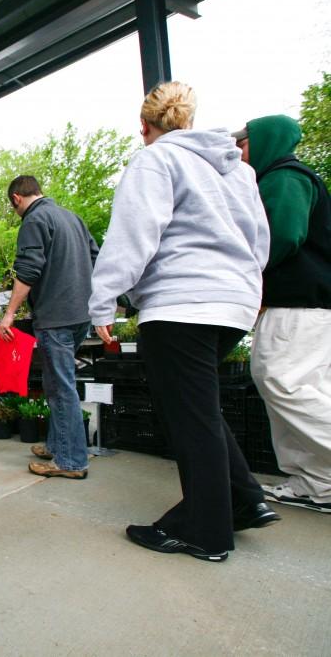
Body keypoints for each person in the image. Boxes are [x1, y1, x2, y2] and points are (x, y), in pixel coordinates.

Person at [89, 81, 279, 562]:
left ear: (145, 127)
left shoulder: (155, 159)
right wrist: (248, 289)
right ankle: (243, 497)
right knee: (201, 407)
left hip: (181, 303)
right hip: (233, 301)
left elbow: (134, 235)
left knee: (187, 416)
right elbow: (259, 239)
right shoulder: (238, 171)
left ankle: (204, 531)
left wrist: (102, 302)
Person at [232, 115, 331, 513]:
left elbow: (282, 235)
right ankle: (318, 483)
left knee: (281, 382)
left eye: (242, 142)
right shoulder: (284, 177)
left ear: (263, 140)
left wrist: (247, 273)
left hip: (298, 305)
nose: (238, 150)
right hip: (307, 306)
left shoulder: (285, 177)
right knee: (300, 388)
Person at [0, 176, 100, 479]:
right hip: (82, 314)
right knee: (57, 383)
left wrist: (9, 314)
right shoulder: (72, 217)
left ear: (16, 198)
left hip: (56, 315)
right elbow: (97, 259)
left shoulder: (35, 219)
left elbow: (28, 270)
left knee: (60, 387)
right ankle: (58, 444)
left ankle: (71, 461)